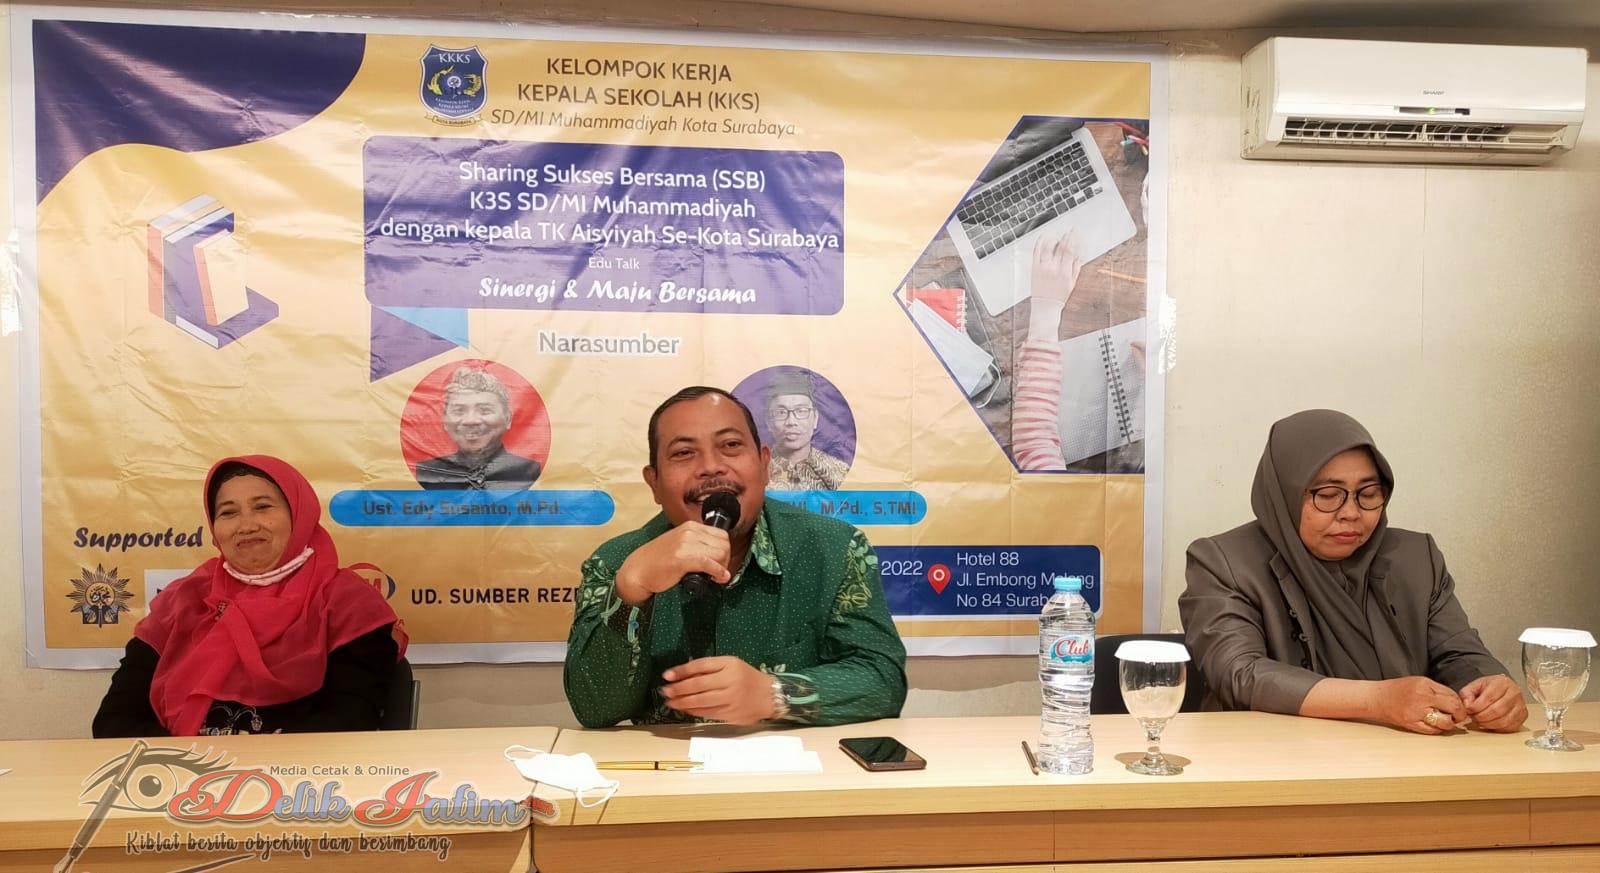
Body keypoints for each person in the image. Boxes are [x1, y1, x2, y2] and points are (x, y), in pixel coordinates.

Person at [563, 386, 906, 727]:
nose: (711, 467)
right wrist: (630, 592)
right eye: (684, 453)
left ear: (765, 464)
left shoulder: (834, 549)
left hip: (792, 759)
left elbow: (883, 679)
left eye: (730, 445)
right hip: (667, 760)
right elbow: (594, 709)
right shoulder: (616, 562)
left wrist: (774, 694)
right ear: (654, 483)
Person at [1179, 410, 1527, 735]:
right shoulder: (1223, 562)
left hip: (1402, 759)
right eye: (1329, 495)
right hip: (1271, 757)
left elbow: (1458, 653)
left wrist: (1490, 688)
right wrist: (1379, 700)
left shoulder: (1416, 558)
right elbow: (1241, 673)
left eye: (1368, 494)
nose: (1351, 512)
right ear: (1284, 494)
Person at [93, 456, 407, 736]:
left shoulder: (348, 602)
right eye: (228, 512)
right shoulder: (183, 600)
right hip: (184, 774)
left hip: (299, 777)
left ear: (298, 514)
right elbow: (114, 721)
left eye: (263, 507)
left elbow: (350, 722)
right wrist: (184, 766)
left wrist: (250, 772)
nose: (246, 525)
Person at [416, 366, 541, 490]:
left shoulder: (531, 473)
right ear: (444, 420)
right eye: (459, 411)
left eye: (484, 410)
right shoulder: (426, 474)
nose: (471, 421)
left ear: (508, 418)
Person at [763, 371, 849, 490]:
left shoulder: (840, 471)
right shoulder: (756, 470)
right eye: (781, 412)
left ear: (815, 418)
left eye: (801, 411)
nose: (791, 422)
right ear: (768, 421)